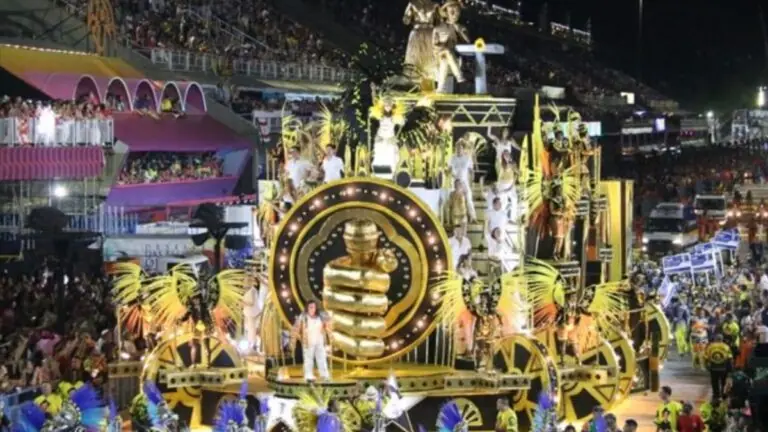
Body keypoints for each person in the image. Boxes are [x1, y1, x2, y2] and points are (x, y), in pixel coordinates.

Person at [291, 300, 331, 382]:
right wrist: (293, 342)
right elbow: (295, 328)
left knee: (322, 358)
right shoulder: (303, 317)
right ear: (307, 308)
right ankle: (308, 375)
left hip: (319, 341)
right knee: (308, 359)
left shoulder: (321, 316)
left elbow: (328, 326)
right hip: (308, 342)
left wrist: (331, 338)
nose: (312, 309)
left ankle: (324, 375)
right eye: (311, 307)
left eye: (314, 307)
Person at [449, 142, 476, 222]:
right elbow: (449, 170)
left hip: (464, 182)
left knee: (469, 199)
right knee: (452, 199)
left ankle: (473, 217)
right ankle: (452, 218)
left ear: (463, 149)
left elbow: (471, 170)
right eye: (457, 148)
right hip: (454, 182)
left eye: (460, 148)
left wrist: (472, 182)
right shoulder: (452, 158)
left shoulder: (467, 158)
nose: (458, 150)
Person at [704, 334, 733, 399]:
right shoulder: (726, 347)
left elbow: (706, 357)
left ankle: (716, 395)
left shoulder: (710, 346)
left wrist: (706, 366)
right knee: (723, 382)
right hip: (723, 368)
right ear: (722, 339)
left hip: (713, 368)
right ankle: (723, 395)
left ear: (715, 339)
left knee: (714, 383)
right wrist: (730, 369)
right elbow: (730, 358)